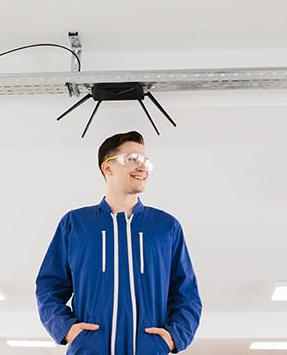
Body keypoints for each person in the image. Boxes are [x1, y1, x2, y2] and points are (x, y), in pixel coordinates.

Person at [35, 131, 202, 354]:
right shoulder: (75, 224)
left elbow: (187, 295)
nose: (143, 167)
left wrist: (172, 339)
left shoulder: (166, 227)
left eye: (146, 162)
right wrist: (68, 330)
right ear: (108, 167)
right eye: (133, 159)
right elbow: (48, 288)